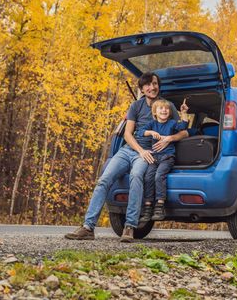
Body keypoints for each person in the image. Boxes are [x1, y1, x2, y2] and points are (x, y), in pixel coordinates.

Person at [64, 72, 188, 242]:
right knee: (104, 180)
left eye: (154, 83)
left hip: (148, 154)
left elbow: (184, 132)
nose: (152, 87)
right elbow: (128, 134)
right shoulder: (136, 106)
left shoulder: (167, 106)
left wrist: (169, 138)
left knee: (136, 177)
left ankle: (129, 227)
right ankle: (88, 227)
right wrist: (140, 150)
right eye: (148, 85)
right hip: (129, 150)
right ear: (142, 89)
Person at [138, 98, 189, 222]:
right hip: (154, 157)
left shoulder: (172, 123)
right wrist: (150, 132)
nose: (164, 110)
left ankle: (160, 206)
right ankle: (148, 206)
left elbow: (183, 126)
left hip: (167, 157)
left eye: (166, 108)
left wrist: (183, 113)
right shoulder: (152, 124)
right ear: (155, 112)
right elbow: (139, 132)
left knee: (159, 176)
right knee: (148, 177)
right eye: (161, 108)